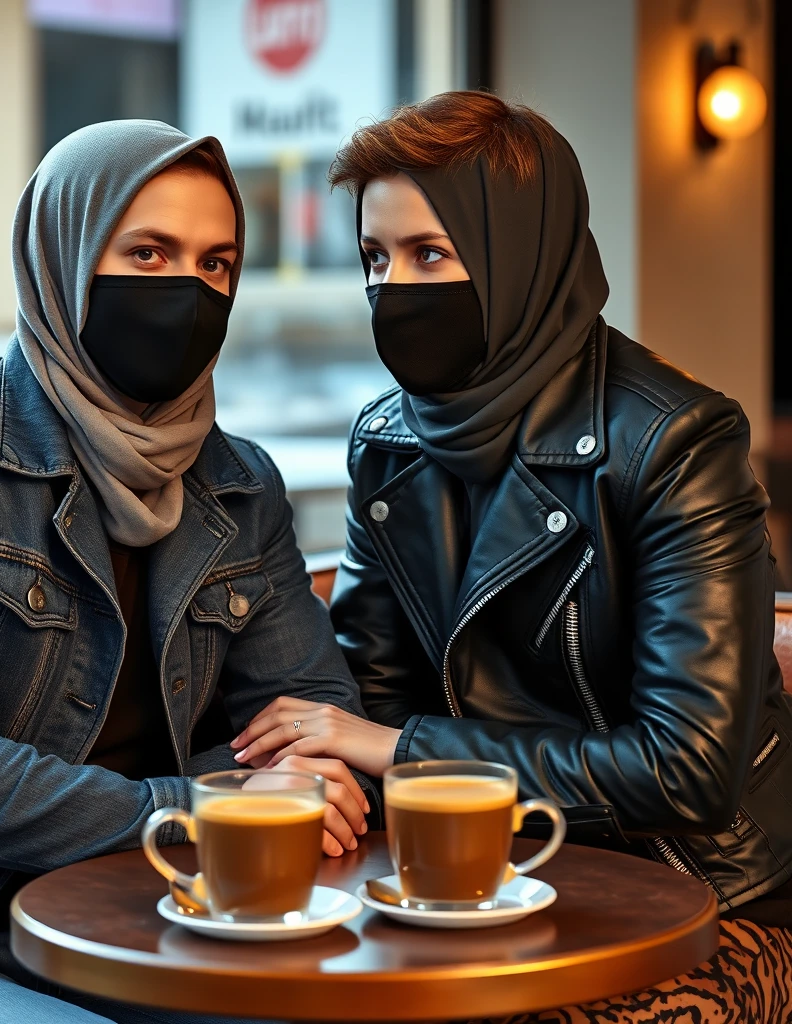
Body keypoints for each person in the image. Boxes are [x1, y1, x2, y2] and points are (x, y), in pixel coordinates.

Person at [0, 120, 376, 1024]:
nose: (186, 288)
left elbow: (316, 732)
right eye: (148, 251)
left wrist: (261, 795)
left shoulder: (241, 483)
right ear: (64, 256)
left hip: (155, 921)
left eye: (216, 263)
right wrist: (203, 806)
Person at [231, 92, 792, 1020]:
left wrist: (403, 751)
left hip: (696, 893)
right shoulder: (389, 442)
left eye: (429, 255)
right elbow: (364, 683)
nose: (395, 290)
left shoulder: (675, 442)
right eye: (377, 258)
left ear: (519, 256)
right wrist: (303, 771)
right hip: (463, 876)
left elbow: (687, 768)